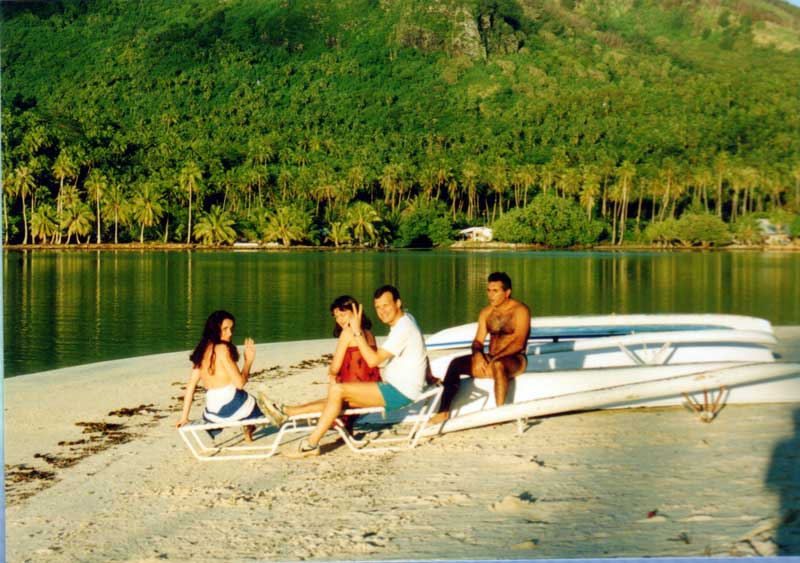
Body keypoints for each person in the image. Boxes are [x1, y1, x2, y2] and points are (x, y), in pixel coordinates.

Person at [278, 285, 428, 458]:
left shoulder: (403, 328)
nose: (381, 311)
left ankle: (310, 444)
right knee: (337, 398)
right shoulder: (407, 320)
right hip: (394, 387)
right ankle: (289, 412)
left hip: (398, 392)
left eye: (386, 305)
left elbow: (373, 361)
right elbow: (420, 346)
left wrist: (356, 332)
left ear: (398, 303)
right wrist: (428, 374)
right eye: (378, 307)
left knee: (337, 390)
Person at [430, 272, 530, 424]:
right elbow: (478, 341)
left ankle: (499, 412)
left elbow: (519, 343)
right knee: (455, 364)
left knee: (498, 365)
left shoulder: (520, 310)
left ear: (507, 292)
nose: (491, 295)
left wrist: (494, 358)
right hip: (492, 358)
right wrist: (478, 355)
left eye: (495, 291)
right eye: (488, 290)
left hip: (515, 360)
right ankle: (443, 411)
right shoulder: (486, 312)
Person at [283, 295, 381, 432]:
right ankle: (289, 410)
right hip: (372, 389)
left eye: (343, 314)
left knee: (331, 399)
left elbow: (335, 367)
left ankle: (289, 412)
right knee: (328, 399)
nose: (339, 320)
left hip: (357, 391)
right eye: (336, 316)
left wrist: (332, 374)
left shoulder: (348, 332)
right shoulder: (370, 333)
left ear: (355, 312)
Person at [176, 310, 264, 442]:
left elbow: (191, 386)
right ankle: (249, 426)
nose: (230, 333)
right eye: (225, 329)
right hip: (232, 407)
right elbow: (240, 383)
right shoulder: (223, 349)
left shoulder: (201, 351)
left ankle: (248, 426)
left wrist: (184, 417)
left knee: (244, 400)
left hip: (212, 413)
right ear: (215, 330)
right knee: (253, 401)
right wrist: (248, 361)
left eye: (231, 329)